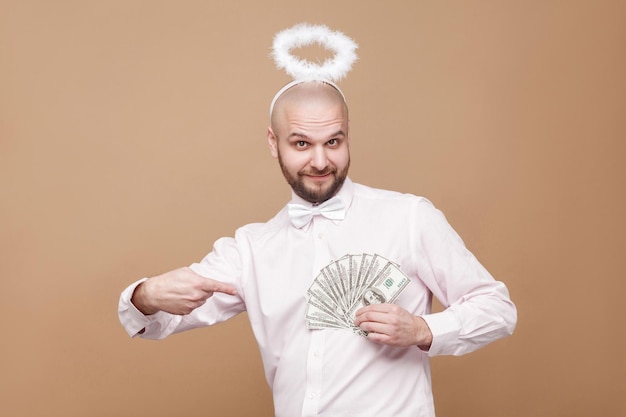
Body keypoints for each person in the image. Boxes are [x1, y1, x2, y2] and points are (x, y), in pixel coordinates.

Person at [118, 80, 517, 417]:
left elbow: (497, 309)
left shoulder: (409, 217)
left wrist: (423, 328)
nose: (321, 160)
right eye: (302, 143)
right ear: (274, 143)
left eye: (333, 141)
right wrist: (147, 294)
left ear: (347, 136)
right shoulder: (251, 249)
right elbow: (158, 322)